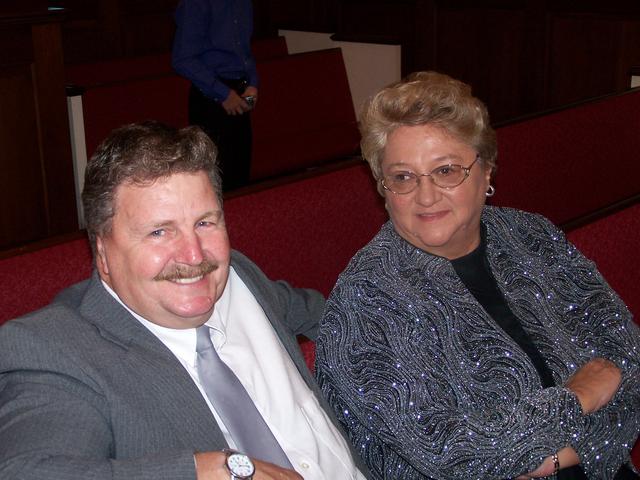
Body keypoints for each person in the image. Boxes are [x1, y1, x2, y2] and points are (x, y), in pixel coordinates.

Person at [315, 72, 640, 480]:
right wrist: (579, 396)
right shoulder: (365, 303)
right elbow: (458, 458)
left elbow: (628, 359)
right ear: (383, 188)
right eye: (403, 177)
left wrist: (558, 458)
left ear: (486, 173)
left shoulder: (531, 236)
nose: (426, 195)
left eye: (447, 171)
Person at [0, 122, 369, 480]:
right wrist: (203, 471)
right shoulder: (55, 350)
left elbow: (331, 318)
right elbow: (28, 471)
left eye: (205, 223)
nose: (194, 257)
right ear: (102, 252)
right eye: (159, 231)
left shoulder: (239, 277)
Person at [172, 0, 258, 191]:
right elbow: (182, 59)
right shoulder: (196, 4)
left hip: (241, 91)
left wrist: (253, 83)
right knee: (213, 182)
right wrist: (223, 94)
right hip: (211, 97)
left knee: (240, 175)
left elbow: (245, 52)